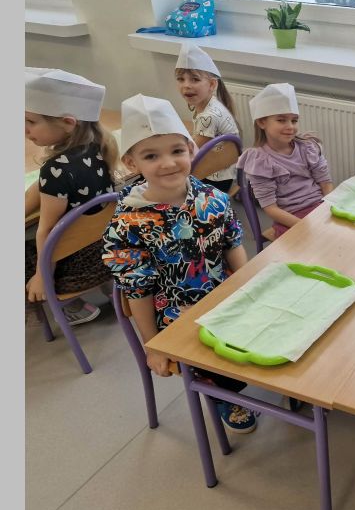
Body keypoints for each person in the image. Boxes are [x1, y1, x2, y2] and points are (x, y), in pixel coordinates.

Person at [101, 93, 257, 433]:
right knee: (211, 348)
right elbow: (137, 290)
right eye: (151, 156)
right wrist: (154, 345)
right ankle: (221, 391)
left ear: (191, 149)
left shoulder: (211, 198)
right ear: (131, 162)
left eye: (176, 151)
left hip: (222, 291)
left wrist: (247, 289)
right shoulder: (128, 224)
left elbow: (232, 242)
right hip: (175, 311)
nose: (169, 163)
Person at [25, 68, 118, 325]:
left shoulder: (55, 170)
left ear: (68, 123)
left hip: (79, 269)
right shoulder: (97, 147)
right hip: (107, 251)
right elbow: (38, 190)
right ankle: (111, 290)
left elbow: (47, 231)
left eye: (31, 122)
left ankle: (70, 306)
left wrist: (42, 276)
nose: (25, 130)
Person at [237, 83, 334, 239]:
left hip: (320, 207)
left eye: (294, 120)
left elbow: (325, 183)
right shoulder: (260, 161)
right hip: (290, 219)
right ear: (262, 122)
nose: (290, 127)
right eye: (281, 120)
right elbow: (271, 208)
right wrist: (305, 225)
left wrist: (327, 208)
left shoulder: (307, 147)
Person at [174, 42, 240, 193]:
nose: (186, 85)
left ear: (211, 84)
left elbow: (192, 151)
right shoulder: (208, 105)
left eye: (195, 79)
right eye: (181, 79)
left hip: (216, 179)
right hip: (221, 173)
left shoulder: (209, 116)